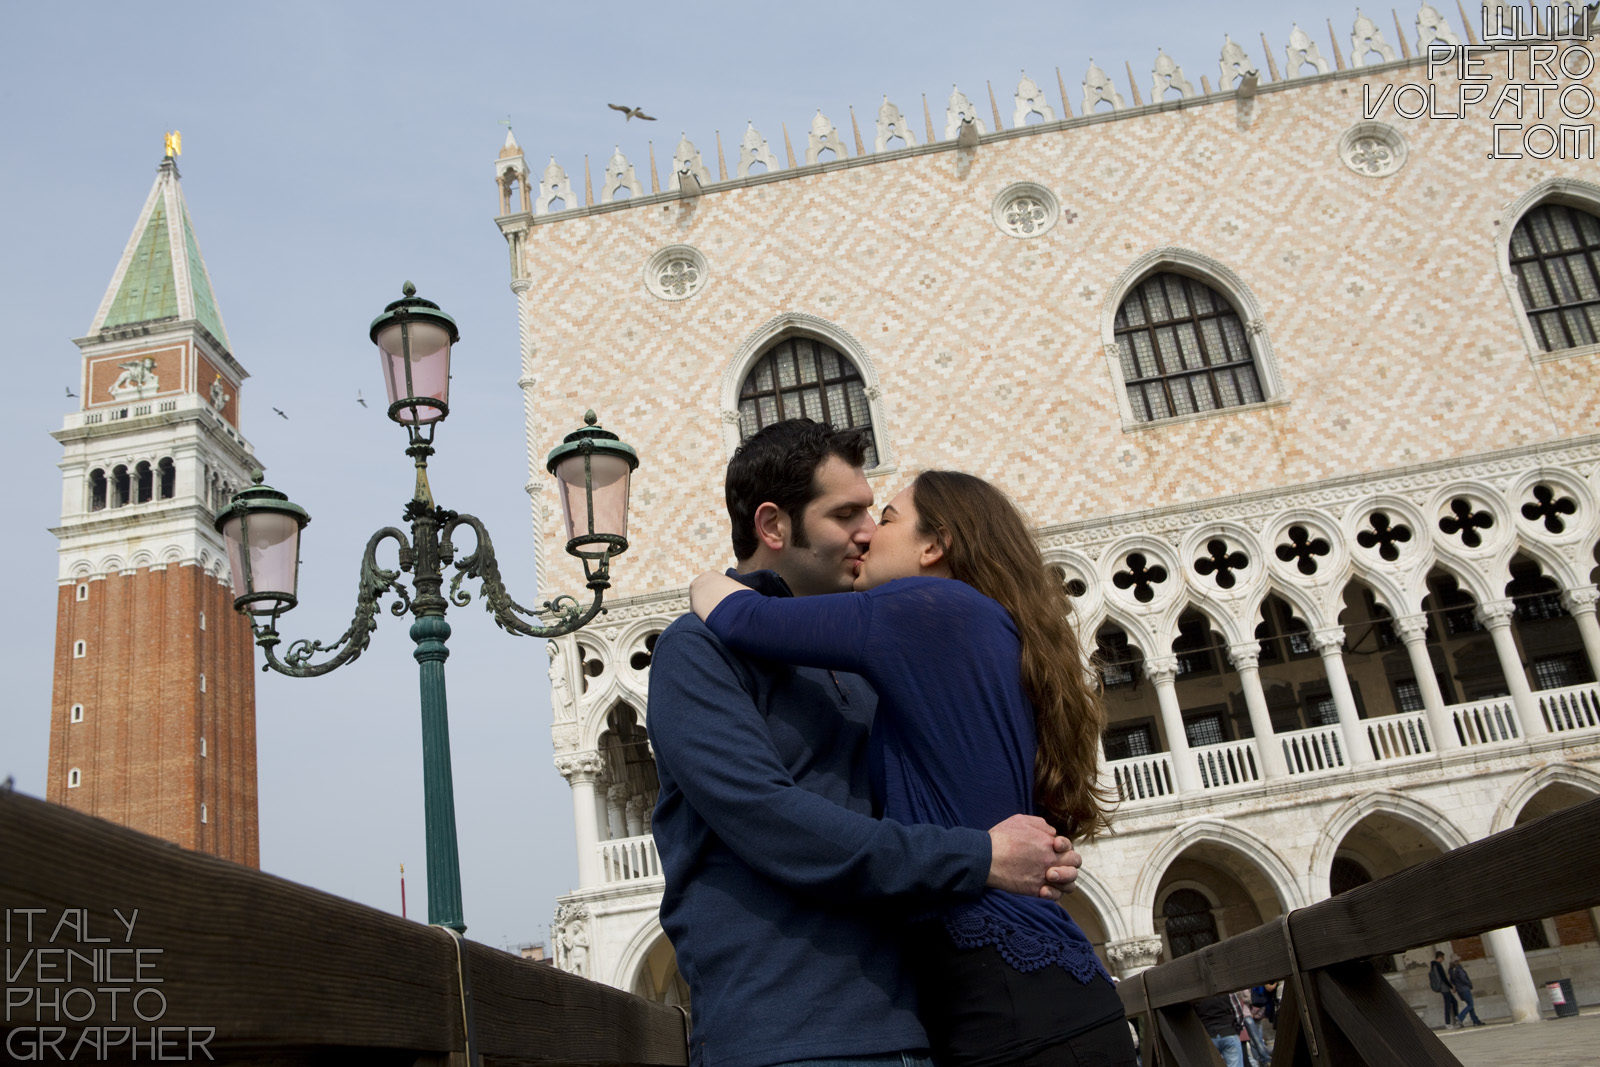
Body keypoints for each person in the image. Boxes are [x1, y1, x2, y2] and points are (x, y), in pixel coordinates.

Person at [648, 421, 1082, 1067]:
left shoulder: (865, 655)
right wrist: (980, 855)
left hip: (924, 1027)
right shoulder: (697, 648)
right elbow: (769, 821)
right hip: (795, 1039)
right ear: (773, 526)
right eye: (846, 513)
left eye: (875, 514)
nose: (867, 532)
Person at [1192, 993, 1246, 1067]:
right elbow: (1239, 1013)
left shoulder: (1195, 997)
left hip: (1208, 1034)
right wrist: (1237, 1029)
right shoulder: (1226, 991)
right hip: (1228, 1031)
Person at [1429, 950, 1460, 1028]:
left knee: (1454, 1002)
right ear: (1440, 957)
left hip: (1444, 988)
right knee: (1448, 1005)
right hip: (1444, 988)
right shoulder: (1438, 965)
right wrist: (1451, 986)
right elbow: (1443, 978)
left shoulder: (1433, 965)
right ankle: (1448, 1023)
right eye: (1443, 958)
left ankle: (1456, 1019)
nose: (1443, 960)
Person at [1450, 958, 1484, 1026]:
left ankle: (1475, 1020)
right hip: (1465, 989)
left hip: (1460, 990)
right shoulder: (1459, 970)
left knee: (1470, 1005)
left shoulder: (1452, 971)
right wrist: (1469, 984)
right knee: (1470, 1005)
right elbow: (1464, 979)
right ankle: (1460, 1017)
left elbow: (1452, 981)